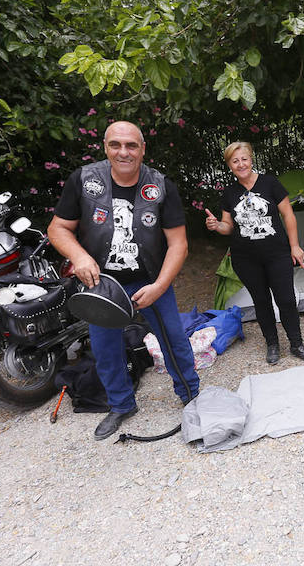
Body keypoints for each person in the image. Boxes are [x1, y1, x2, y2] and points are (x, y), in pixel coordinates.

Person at [48, 121, 200, 441]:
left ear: (143, 149)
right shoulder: (84, 180)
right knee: (105, 349)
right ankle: (121, 405)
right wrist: (80, 257)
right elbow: (58, 228)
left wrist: (160, 285)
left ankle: (192, 397)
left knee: (174, 339)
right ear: (105, 147)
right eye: (116, 145)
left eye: (131, 145)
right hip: (102, 285)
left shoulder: (161, 185)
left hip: (150, 279)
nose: (124, 152)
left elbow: (179, 244)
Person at [205, 141, 304, 365]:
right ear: (230, 166)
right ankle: (272, 344)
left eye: (244, 159)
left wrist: (295, 246)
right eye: (235, 161)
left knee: (285, 299)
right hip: (245, 258)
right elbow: (228, 226)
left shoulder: (270, 183)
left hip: (276, 254)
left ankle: (296, 344)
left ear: (251, 159)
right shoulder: (230, 192)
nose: (241, 164)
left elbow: (288, 216)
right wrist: (217, 226)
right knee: (261, 301)